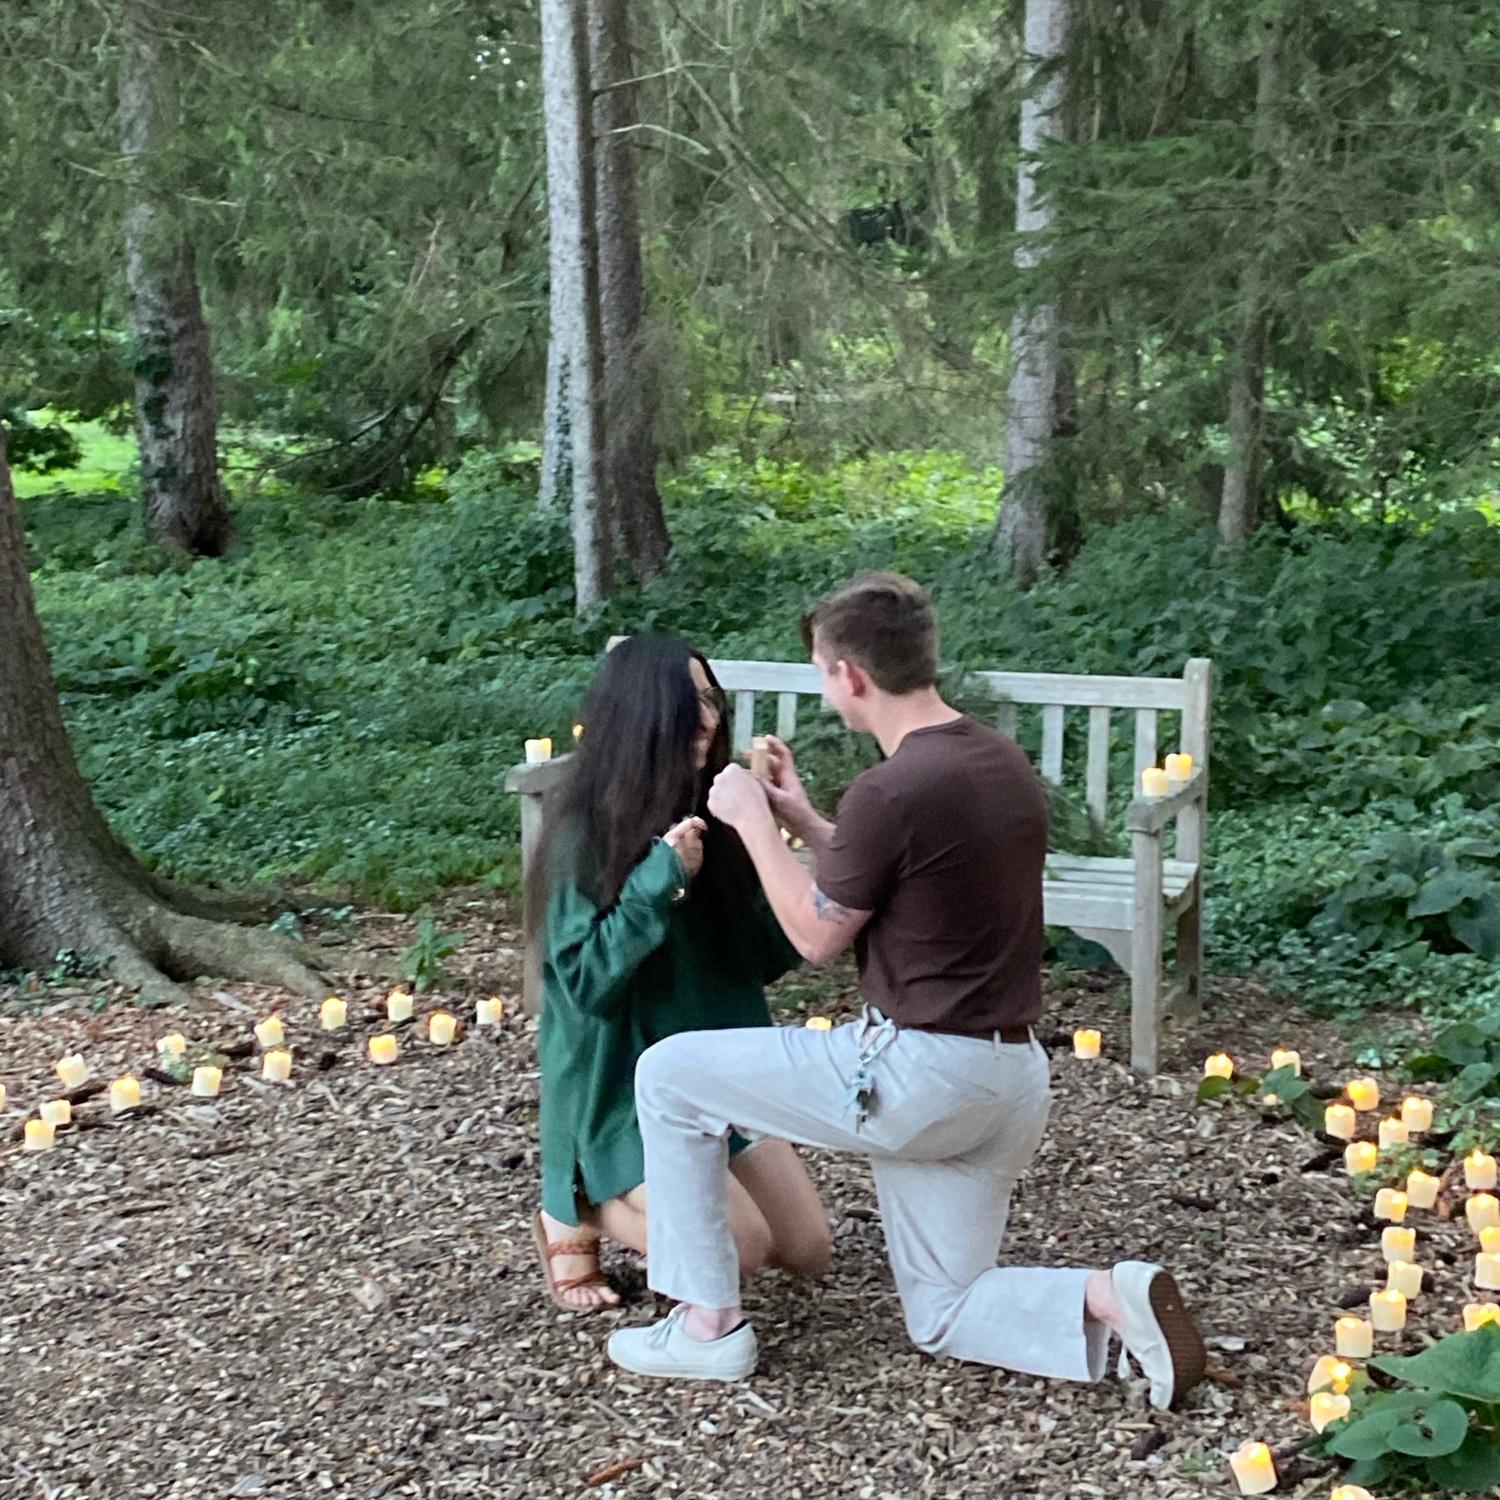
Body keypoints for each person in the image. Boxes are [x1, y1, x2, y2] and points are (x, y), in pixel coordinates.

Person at [605, 573, 1206, 1407]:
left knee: (669, 1076)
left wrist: (749, 818)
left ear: (849, 674)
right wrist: (807, 820)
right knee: (945, 1311)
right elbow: (898, 869)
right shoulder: (992, 758)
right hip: (1008, 1081)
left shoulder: (891, 789)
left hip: (916, 1076)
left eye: (821, 670)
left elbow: (818, 935)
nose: (825, 687)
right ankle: (1110, 1295)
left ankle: (708, 1327)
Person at [531, 634, 831, 1310]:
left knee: (808, 1249)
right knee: (740, 1249)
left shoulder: (722, 814)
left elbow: (757, 957)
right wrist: (659, 882)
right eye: (687, 701)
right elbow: (584, 980)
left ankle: (625, 1202)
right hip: (622, 1088)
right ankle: (575, 1205)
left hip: (714, 1073)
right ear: (643, 715)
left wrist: (782, 855)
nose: (707, 718)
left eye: (710, 699)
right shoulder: (585, 829)